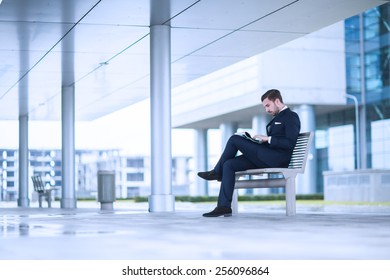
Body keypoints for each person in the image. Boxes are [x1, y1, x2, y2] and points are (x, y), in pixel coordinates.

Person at [198, 89, 301, 217]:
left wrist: (268, 139)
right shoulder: (277, 118)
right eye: (265, 107)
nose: (267, 110)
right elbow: (275, 141)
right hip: (266, 156)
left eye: (268, 105)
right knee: (229, 164)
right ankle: (223, 207)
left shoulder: (291, 116)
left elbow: (290, 143)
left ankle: (216, 173)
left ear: (277, 101)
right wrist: (258, 141)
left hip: (276, 159)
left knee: (234, 139)